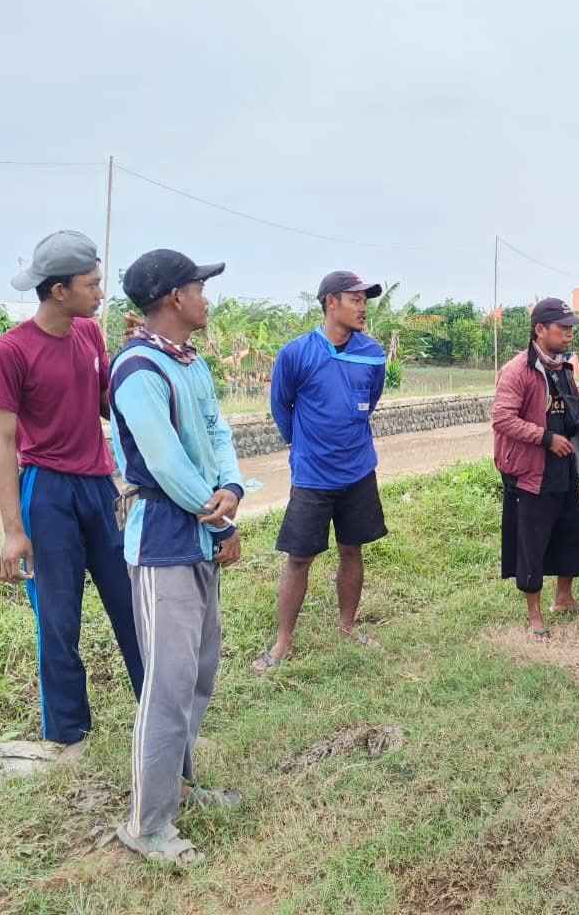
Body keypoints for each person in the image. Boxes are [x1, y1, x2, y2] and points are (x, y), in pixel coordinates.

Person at [108, 248, 244, 866]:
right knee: (166, 684)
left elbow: (217, 432)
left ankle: (180, 787)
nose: (205, 298)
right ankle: (146, 823)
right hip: (164, 538)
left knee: (197, 671)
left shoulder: (188, 362)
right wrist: (218, 512)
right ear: (173, 298)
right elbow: (163, 462)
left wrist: (230, 489)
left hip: (198, 530)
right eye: (199, 287)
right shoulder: (138, 369)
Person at [0, 230, 143, 756]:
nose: (101, 293)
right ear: (58, 291)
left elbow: (106, 406)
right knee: (57, 619)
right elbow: (1, 442)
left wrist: (132, 357)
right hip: (46, 492)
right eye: (91, 284)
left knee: (133, 605)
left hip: (99, 487)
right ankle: (68, 737)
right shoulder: (10, 351)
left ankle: (159, 714)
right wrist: (13, 531)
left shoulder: (90, 335)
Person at [253, 270, 389, 673]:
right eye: (355, 299)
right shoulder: (297, 353)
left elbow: (370, 399)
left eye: (365, 301)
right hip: (312, 475)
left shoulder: (373, 353)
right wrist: (300, 444)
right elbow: (281, 405)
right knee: (299, 558)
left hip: (359, 470)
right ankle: (283, 642)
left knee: (352, 549)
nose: (363, 307)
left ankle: (347, 626)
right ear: (331, 302)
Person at [492, 297, 579, 641]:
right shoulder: (517, 371)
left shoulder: (563, 369)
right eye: (563, 327)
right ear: (540, 329)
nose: (569, 333)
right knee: (532, 541)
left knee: (572, 531)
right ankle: (534, 614)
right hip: (530, 470)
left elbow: (571, 410)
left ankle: (564, 598)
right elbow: (502, 419)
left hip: (565, 465)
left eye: (571, 328)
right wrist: (545, 437)